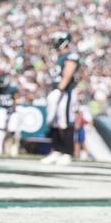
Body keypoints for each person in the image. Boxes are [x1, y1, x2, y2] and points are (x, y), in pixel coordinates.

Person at [42, 32, 81, 165]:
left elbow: (68, 74)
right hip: (58, 91)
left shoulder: (71, 56)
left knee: (65, 120)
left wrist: (59, 90)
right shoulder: (60, 57)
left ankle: (67, 152)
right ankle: (57, 150)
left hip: (65, 92)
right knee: (55, 121)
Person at [0, 74, 19, 156]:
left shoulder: (12, 89)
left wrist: (13, 108)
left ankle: (14, 148)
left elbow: (16, 99)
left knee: (12, 129)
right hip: (2, 109)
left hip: (12, 110)